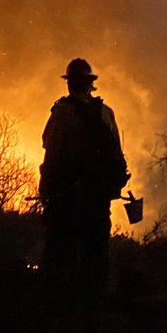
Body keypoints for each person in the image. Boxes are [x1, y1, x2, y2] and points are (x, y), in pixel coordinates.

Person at [39, 57, 129, 305]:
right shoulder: (105, 113)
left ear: (69, 84)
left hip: (66, 197)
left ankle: (56, 308)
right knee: (96, 253)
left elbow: (52, 151)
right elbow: (117, 153)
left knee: (59, 252)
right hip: (98, 198)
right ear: (90, 84)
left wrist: (46, 191)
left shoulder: (62, 112)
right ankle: (95, 306)